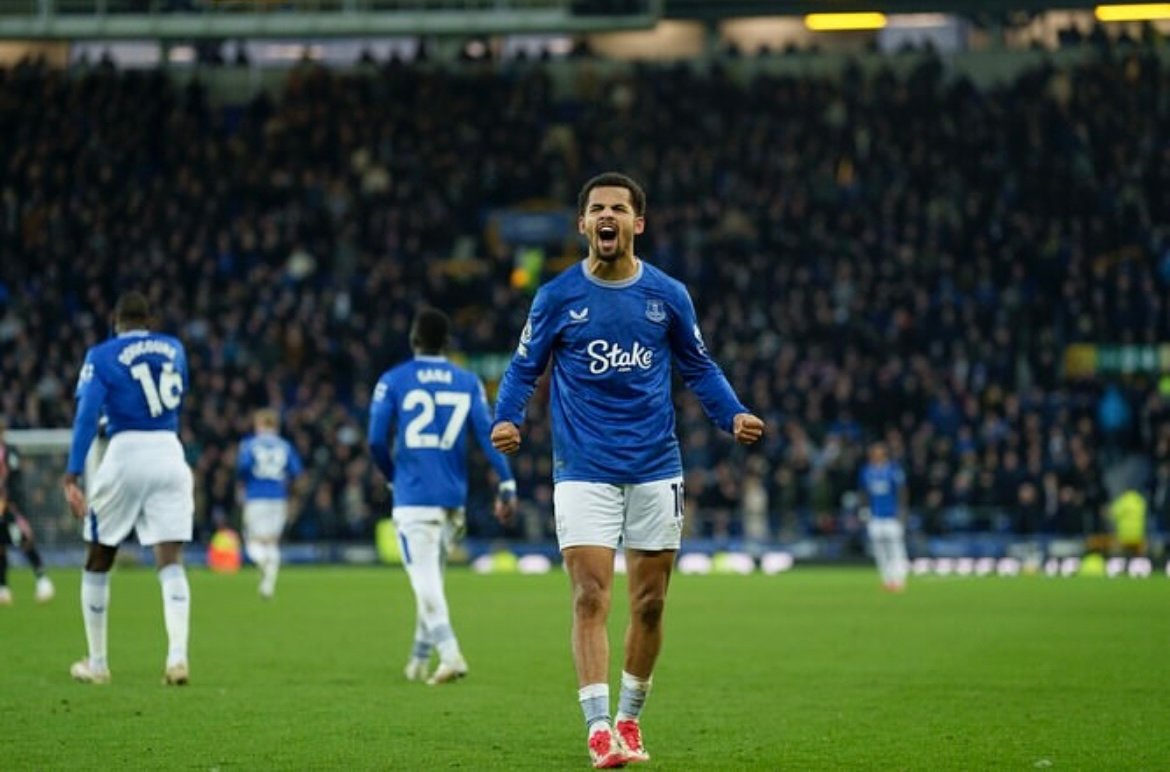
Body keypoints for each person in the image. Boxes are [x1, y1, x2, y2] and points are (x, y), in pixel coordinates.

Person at [490, 172, 765, 768]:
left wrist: (733, 413)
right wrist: (506, 418)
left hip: (655, 467)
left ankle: (629, 721)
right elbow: (520, 368)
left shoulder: (667, 295)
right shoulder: (557, 297)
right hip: (583, 468)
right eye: (597, 209)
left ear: (637, 223)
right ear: (584, 225)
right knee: (590, 594)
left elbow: (699, 366)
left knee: (649, 605)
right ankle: (597, 731)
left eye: (618, 208)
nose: (607, 216)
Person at [367, 307, 518, 686]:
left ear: (414, 339)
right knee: (432, 576)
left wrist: (392, 477)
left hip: (415, 495)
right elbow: (489, 434)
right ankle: (418, 659)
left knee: (424, 580)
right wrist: (507, 482)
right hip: (453, 497)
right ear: (446, 343)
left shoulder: (394, 380)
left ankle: (450, 654)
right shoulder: (467, 381)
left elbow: (374, 440)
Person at [61, 292, 194, 686]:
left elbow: (87, 415)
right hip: (170, 450)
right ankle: (177, 658)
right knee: (170, 559)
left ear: (114, 320)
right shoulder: (174, 348)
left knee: (99, 556)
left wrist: (72, 473)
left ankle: (98, 664)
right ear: (148, 319)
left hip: (125, 451)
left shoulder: (100, 355)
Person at [236, 408, 306, 599]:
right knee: (272, 541)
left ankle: (263, 563)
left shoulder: (249, 445)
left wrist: (242, 488)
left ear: (259, 425)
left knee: (253, 542)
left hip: (255, 497)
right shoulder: (285, 446)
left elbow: (242, 469)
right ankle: (268, 585)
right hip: (278, 497)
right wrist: (294, 498)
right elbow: (297, 473)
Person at [0, 419, 55, 604]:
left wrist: (8, 503)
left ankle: (42, 580)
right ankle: (3, 587)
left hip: (10, 507)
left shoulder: (9, 452)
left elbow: (15, 481)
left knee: (23, 539)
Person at [859, 441, 909, 592]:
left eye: (878, 452)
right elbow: (863, 492)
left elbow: (902, 491)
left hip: (892, 515)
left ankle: (899, 579)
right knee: (879, 550)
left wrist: (902, 511)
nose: (875, 455)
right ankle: (887, 579)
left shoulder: (893, 470)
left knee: (896, 548)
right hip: (875, 516)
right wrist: (864, 509)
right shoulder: (866, 471)